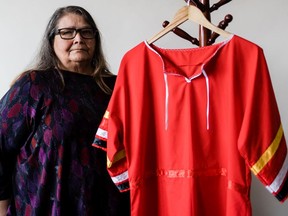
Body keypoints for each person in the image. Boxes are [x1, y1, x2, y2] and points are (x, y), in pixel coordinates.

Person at [0, 5, 130, 216]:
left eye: (86, 32)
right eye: (67, 32)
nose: (78, 39)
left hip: (110, 207)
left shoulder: (116, 88)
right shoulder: (34, 85)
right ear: (52, 41)